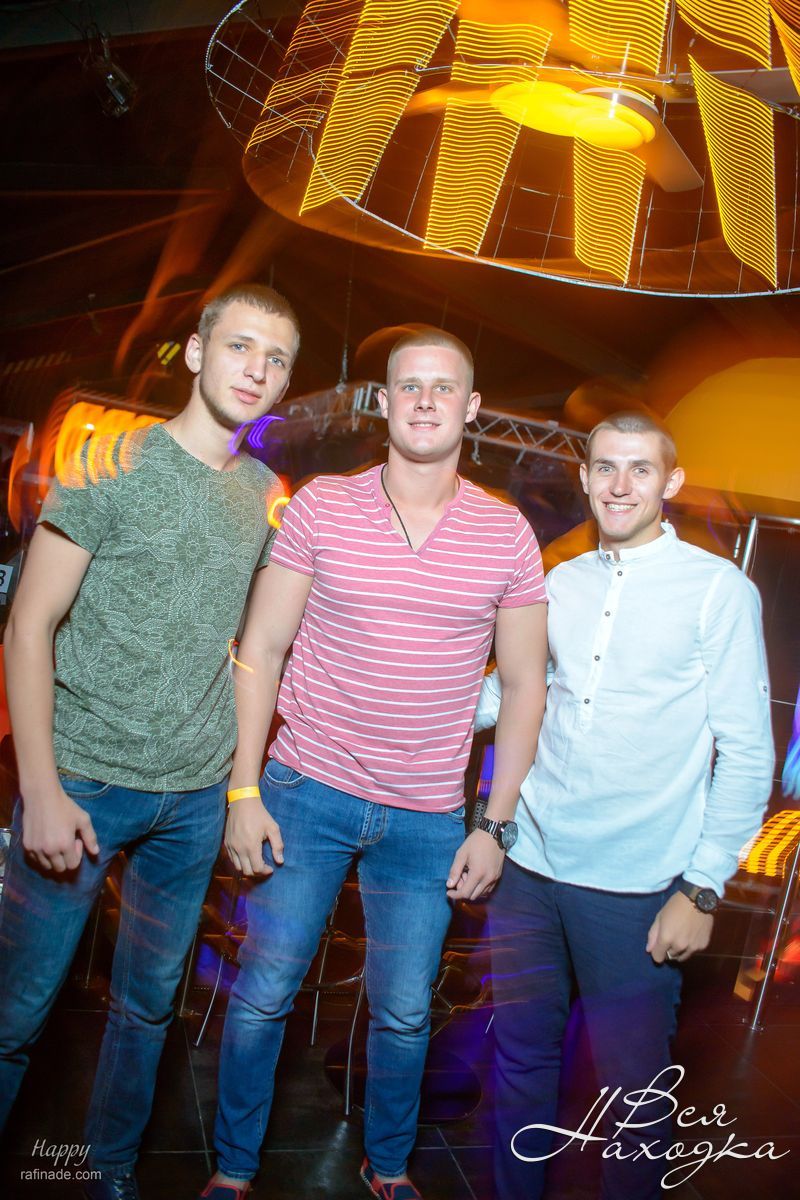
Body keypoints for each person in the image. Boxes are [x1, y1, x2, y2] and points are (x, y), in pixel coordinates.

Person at [200, 330, 549, 1200]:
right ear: (385, 403)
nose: (426, 401)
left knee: (402, 1011)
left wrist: (495, 825)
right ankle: (234, 1170)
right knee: (265, 991)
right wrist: (243, 789)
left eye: (444, 387)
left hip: (427, 818)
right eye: (409, 386)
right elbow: (262, 648)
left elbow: (525, 686)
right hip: (306, 788)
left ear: (472, 408)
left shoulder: (507, 533)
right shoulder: (322, 506)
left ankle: (388, 1167)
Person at [0, 283, 301, 1200]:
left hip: (193, 798)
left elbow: (253, 648)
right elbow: (28, 627)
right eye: (240, 346)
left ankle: (111, 1174)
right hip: (84, 781)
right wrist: (41, 789)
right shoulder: (112, 462)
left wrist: (238, 788)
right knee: (17, 1011)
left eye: (277, 358)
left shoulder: (262, 495)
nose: (256, 368)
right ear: (198, 353)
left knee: (146, 1012)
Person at [477, 411, 775, 1200]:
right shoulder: (560, 583)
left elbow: (748, 753)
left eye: (639, 469)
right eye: (605, 467)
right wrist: (405, 685)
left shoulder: (718, 591)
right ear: (583, 477)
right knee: (521, 1061)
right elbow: (511, 696)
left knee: (634, 1093)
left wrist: (701, 888)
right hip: (528, 869)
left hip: (637, 889)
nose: (619, 485)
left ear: (671, 482)